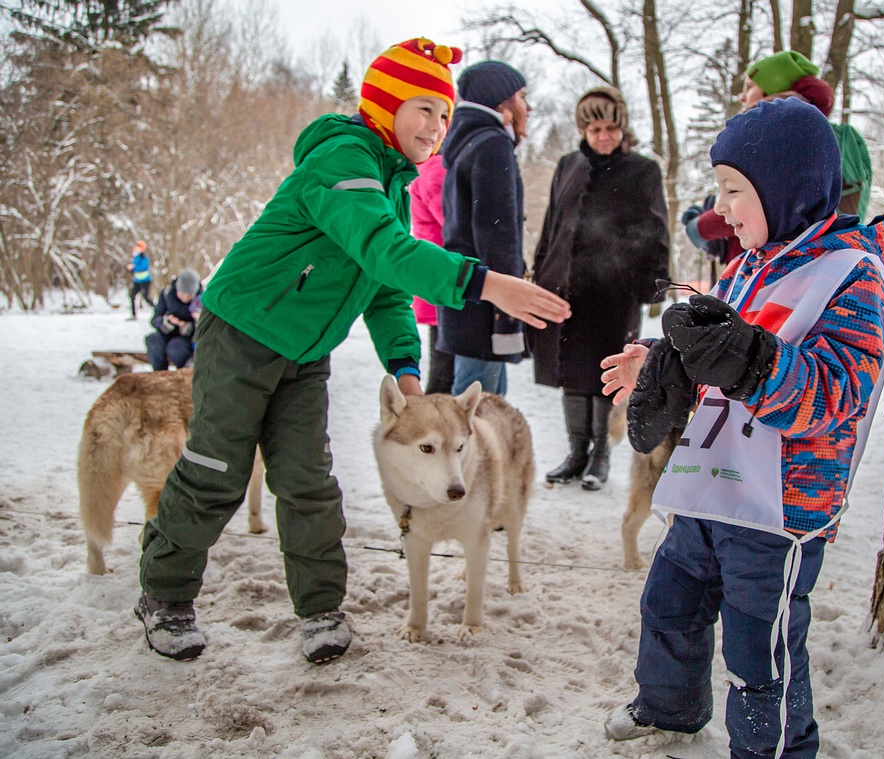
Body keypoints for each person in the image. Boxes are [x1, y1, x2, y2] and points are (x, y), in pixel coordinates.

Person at [133, 38, 570, 664]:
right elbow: (386, 250)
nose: (437, 126)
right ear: (385, 104)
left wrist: (407, 373)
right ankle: (165, 596)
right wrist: (488, 282)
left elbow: (386, 288)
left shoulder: (390, 185)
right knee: (216, 473)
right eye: (423, 108)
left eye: (445, 114)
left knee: (307, 480)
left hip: (305, 354)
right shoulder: (343, 159)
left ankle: (319, 610)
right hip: (242, 335)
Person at [599, 98, 884, 758]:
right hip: (712, 484)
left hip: (780, 505)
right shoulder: (747, 265)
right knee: (668, 603)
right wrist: (660, 359)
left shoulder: (854, 275)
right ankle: (669, 707)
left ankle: (775, 750)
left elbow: (835, 392)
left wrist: (749, 360)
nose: (722, 206)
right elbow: (713, 349)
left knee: (759, 646)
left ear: (785, 185)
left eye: (735, 189)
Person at [529, 86, 669, 490]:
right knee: (570, 372)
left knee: (604, 373)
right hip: (565, 287)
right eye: (594, 128)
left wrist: (652, 284)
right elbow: (552, 224)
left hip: (614, 288)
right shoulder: (568, 165)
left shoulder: (642, 170)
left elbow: (656, 228)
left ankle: (601, 456)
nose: (603, 135)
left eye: (610, 127)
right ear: (583, 129)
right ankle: (576, 453)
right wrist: (540, 273)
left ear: (622, 128)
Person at [685, 50, 874, 260]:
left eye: (749, 87)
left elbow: (771, 206)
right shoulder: (811, 133)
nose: (742, 96)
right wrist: (726, 245)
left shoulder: (788, 138)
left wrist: (701, 228)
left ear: (773, 89)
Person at [437, 60, 530, 396]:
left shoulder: (466, 143)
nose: (526, 106)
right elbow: (497, 234)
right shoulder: (492, 145)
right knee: (476, 416)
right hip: (486, 304)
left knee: (485, 406)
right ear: (501, 100)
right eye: (521, 96)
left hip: (466, 297)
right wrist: (510, 306)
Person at [408, 152, 455, 394]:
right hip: (445, 283)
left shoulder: (429, 167)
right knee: (444, 376)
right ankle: (430, 426)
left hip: (438, 283)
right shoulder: (437, 168)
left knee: (444, 370)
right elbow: (453, 221)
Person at [144, 268, 202, 371]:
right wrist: (164, 322)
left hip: (187, 338)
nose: (185, 297)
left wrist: (190, 327)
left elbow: (205, 322)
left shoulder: (201, 300)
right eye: (182, 294)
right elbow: (155, 319)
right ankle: (160, 374)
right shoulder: (166, 294)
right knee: (153, 340)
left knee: (175, 348)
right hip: (166, 333)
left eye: (189, 295)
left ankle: (183, 375)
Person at [127, 240, 155, 319]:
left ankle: (157, 309)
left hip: (145, 281)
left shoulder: (143, 257)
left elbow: (143, 268)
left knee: (146, 297)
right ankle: (133, 315)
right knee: (132, 296)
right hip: (137, 281)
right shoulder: (135, 257)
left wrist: (133, 267)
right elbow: (134, 270)